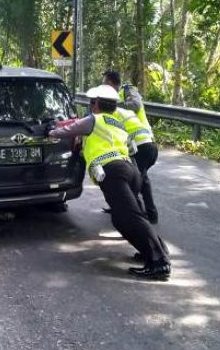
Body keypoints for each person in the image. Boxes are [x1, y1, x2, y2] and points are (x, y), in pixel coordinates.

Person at [49, 85, 171, 280]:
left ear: (96, 104)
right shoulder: (118, 122)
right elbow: (131, 149)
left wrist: (51, 132)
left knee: (130, 217)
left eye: (91, 103)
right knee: (123, 218)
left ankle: (159, 262)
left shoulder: (93, 120)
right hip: (130, 171)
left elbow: (68, 130)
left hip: (113, 172)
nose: (90, 106)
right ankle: (152, 250)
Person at [103, 70, 160, 224]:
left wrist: (113, 105)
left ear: (111, 83)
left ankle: (137, 217)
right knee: (141, 180)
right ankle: (148, 213)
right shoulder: (110, 101)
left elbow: (135, 104)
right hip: (136, 147)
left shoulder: (127, 90)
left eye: (105, 83)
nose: (103, 86)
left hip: (144, 144)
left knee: (133, 182)